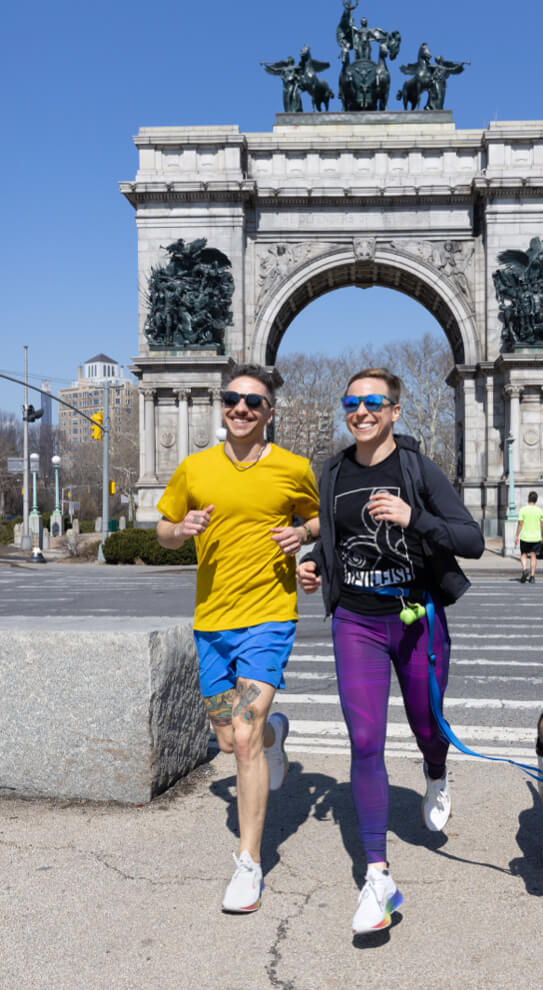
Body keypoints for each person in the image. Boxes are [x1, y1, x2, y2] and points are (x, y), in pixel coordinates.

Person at [297, 367, 484, 934]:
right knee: (364, 740)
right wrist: (314, 567)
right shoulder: (331, 472)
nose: (362, 410)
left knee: (428, 725)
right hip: (356, 620)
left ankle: (435, 769)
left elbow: (471, 539)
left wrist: (413, 517)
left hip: (416, 618)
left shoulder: (414, 467)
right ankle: (378, 877)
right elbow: (335, 542)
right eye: (352, 402)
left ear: (394, 411)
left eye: (374, 401)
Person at [156, 363, 319, 914]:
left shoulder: (293, 469)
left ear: (269, 412)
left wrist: (303, 533)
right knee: (229, 738)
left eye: (254, 402)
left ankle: (249, 865)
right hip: (212, 625)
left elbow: (320, 521)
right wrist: (180, 531)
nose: (242, 409)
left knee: (241, 741)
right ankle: (274, 733)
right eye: (233, 399)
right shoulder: (194, 468)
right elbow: (164, 529)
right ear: (222, 405)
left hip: (268, 620)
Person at [514, 491, 543, 583]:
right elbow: (542, 524)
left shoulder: (523, 510)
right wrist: (542, 535)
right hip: (536, 537)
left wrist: (516, 535)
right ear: (536, 500)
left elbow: (520, 523)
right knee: (533, 555)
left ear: (528, 499)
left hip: (525, 537)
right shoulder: (539, 510)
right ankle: (532, 576)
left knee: (523, 554)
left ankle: (524, 569)